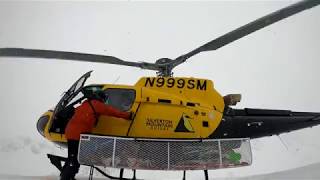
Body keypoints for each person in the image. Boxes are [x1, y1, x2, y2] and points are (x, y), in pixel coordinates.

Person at [60, 90, 131, 180]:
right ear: (101, 98)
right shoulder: (97, 104)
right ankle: (67, 177)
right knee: (75, 158)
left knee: (72, 156)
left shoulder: (85, 104)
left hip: (70, 132)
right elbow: (112, 111)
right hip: (77, 134)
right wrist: (128, 115)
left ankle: (65, 175)